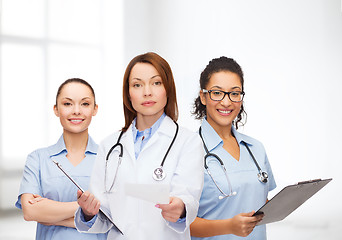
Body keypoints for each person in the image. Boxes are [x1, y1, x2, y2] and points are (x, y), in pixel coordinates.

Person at [74, 52, 204, 239]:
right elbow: (104, 217)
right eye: (137, 85)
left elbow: (188, 200)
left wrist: (180, 209)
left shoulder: (188, 142)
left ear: (168, 88)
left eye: (156, 83)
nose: (147, 92)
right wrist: (88, 212)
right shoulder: (109, 146)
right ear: (128, 93)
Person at [190, 57, 276, 240]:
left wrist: (286, 202)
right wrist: (229, 226)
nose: (227, 102)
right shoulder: (188, 150)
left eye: (234, 93)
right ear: (203, 97)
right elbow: (181, 223)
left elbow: (258, 201)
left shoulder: (256, 149)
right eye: (217, 93)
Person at [15, 78, 106, 240]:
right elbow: (30, 212)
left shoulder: (109, 159)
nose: (76, 111)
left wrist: (49, 213)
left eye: (85, 104)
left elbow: (112, 216)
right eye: (67, 104)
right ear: (56, 110)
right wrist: (85, 208)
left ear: (95, 109)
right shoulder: (38, 158)